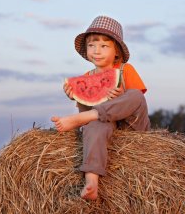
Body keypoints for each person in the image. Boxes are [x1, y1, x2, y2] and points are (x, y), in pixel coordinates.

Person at [51, 15, 150, 200]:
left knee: (134, 95)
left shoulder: (126, 69)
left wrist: (121, 95)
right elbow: (88, 111)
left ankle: (78, 121)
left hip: (132, 127)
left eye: (104, 46)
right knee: (93, 125)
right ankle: (91, 182)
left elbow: (137, 102)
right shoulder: (87, 76)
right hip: (103, 124)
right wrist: (78, 97)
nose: (97, 50)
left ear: (116, 52)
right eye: (91, 45)